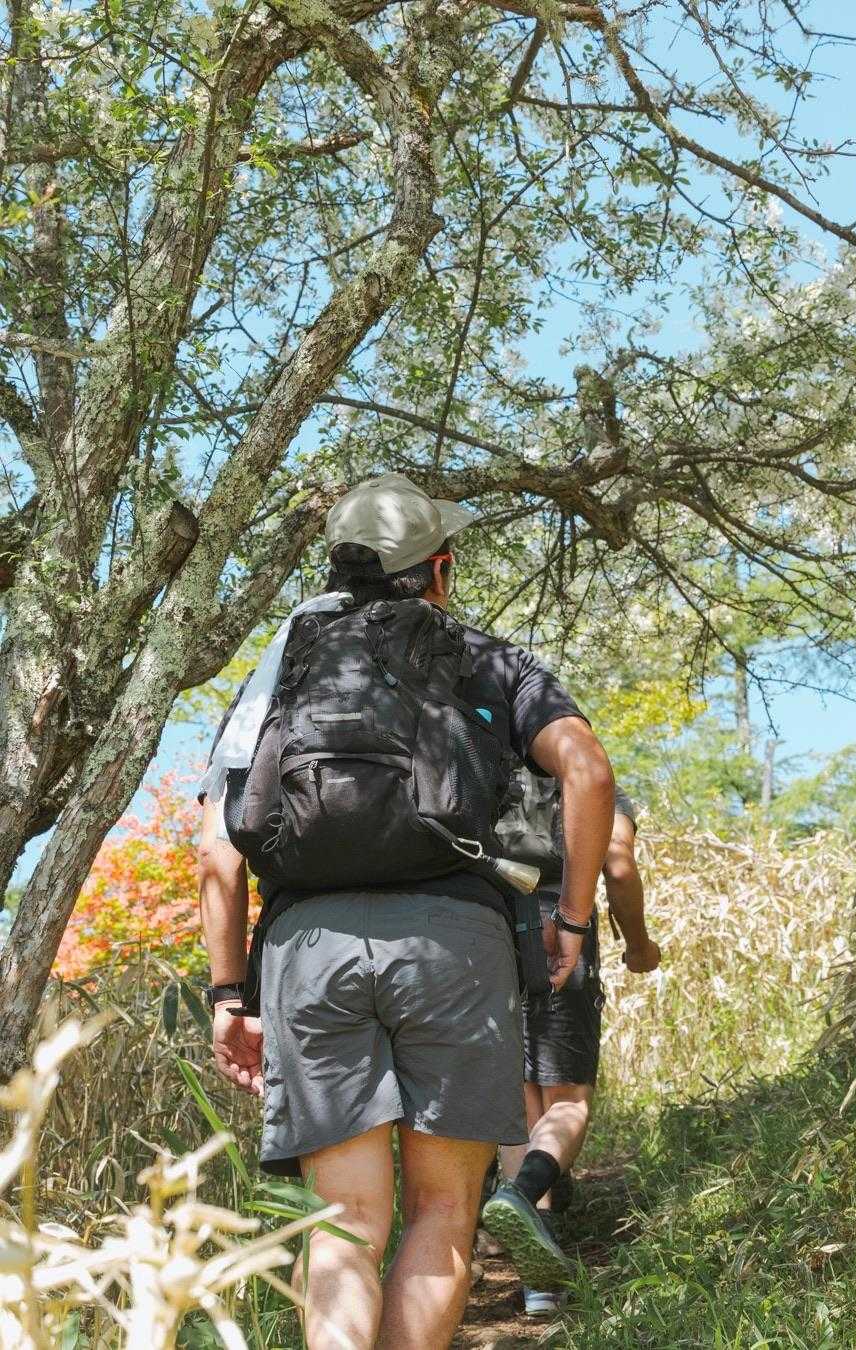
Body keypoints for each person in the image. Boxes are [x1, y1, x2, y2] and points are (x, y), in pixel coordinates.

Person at [197, 473, 616, 1350]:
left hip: (308, 949)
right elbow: (587, 769)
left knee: (343, 1220)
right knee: (443, 1210)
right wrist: (572, 922)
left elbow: (217, 852)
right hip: (455, 947)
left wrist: (229, 994)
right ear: (441, 570)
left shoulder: (283, 672)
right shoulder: (487, 659)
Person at [482, 777, 660, 1315]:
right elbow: (619, 867)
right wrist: (639, 945)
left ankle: (535, 1271)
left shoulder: (483, 765)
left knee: (521, 1101)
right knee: (567, 1101)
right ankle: (523, 1201)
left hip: (484, 931)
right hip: (562, 928)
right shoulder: (589, 781)